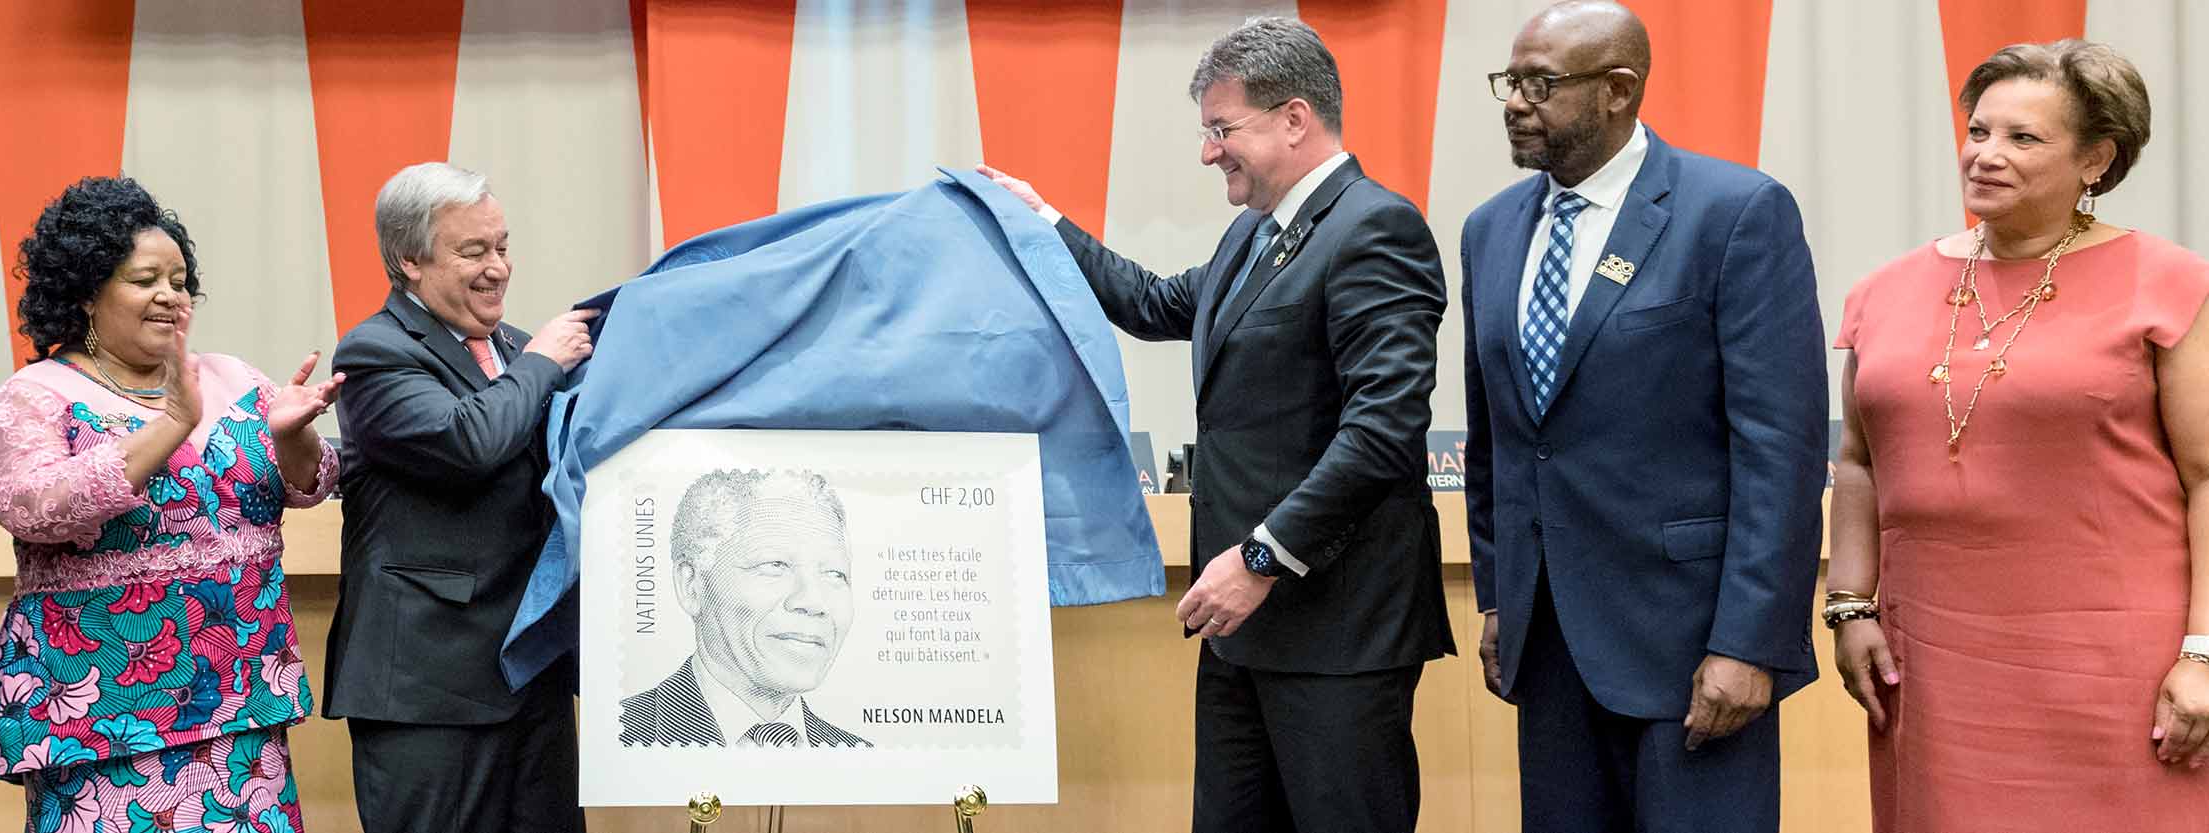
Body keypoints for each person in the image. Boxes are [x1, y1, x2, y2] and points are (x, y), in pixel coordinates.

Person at [981, 15, 1453, 832]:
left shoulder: (1374, 227)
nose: (1209, 152)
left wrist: (1265, 556)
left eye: (1222, 129)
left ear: (1295, 119)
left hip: (1335, 634)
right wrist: (1044, 224)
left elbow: (1382, 431)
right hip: (1244, 633)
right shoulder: (1253, 235)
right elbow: (1154, 301)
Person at [1459, 3, 1827, 831]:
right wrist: (1498, 600)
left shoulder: (1735, 212)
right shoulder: (1490, 230)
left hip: (1692, 647)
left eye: (1540, 83)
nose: (1516, 101)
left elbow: (1783, 450)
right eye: (1510, 82)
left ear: (1619, 89)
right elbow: (1501, 438)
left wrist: (1751, 642)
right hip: (1547, 645)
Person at [1829, 38, 2209, 832]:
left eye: (2023, 138)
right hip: (1930, 659)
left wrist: (2203, 652)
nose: (1986, 155)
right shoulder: (1885, 290)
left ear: (2098, 160)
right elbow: (1858, 461)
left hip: (2118, 666)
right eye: (1979, 132)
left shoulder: (2168, 283)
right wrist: (1850, 604)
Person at [0, 176, 341, 833]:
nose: (170, 294)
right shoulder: (34, 394)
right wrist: (170, 423)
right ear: (86, 290)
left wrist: (291, 434)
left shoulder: (233, 377)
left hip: (238, 701)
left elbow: (308, 484)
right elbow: (32, 506)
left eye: (179, 278)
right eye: (145, 279)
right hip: (102, 712)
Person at [323, 162, 598, 832]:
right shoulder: (374, 352)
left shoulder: (513, 347)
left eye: (502, 246)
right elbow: (467, 443)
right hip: (428, 691)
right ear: (409, 260)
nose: (497, 268)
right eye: (473, 251)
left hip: (529, 675)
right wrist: (543, 362)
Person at [619, 469, 870, 748]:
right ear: (692, 586)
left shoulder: (861, 756)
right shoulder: (622, 734)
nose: (813, 602)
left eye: (835, 574)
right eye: (775, 565)